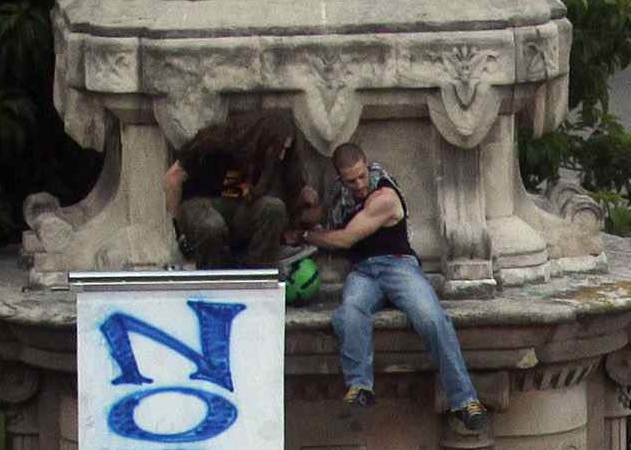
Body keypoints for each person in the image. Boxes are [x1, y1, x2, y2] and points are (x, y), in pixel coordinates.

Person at [308, 142, 482, 431]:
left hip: (398, 266)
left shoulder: (385, 195)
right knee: (349, 313)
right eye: (351, 180)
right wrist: (302, 211)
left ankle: (465, 400)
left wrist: (306, 236)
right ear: (340, 177)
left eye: (362, 176)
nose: (359, 184)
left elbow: (346, 239)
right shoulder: (341, 195)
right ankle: (360, 386)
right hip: (363, 272)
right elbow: (322, 215)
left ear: (367, 165)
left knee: (431, 319)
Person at [166, 114, 300, 272]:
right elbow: (172, 179)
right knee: (211, 225)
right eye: (280, 148)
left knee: (273, 207)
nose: (281, 155)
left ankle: (259, 270)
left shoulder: (251, 155)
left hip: (230, 206)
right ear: (266, 140)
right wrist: (178, 229)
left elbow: (235, 190)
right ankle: (214, 275)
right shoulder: (212, 142)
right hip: (197, 204)